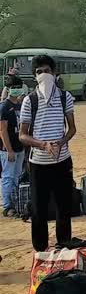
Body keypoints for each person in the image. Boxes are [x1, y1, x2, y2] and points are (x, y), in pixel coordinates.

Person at [19, 55, 77, 252]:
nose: (43, 75)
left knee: (64, 207)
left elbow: (72, 129)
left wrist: (60, 143)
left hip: (62, 160)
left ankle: (64, 246)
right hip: (38, 163)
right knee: (38, 209)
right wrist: (43, 145)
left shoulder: (65, 97)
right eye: (39, 72)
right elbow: (23, 135)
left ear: (54, 73)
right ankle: (40, 250)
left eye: (47, 71)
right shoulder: (30, 101)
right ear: (35, 76)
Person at [1, 75, 26, 217]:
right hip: (8, 149)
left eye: (18, 87)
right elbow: (2, 130)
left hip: (19, 147)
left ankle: (16, 202)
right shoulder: (4, 107)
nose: (16, 90)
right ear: (9, 89)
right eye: (13, 88)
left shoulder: (20, 105)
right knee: (8, 177)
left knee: (17, 176)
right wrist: (9, 149)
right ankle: (7, 205)